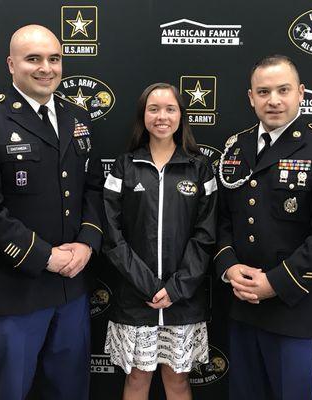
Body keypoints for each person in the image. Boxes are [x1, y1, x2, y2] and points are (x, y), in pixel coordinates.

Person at [0, 25, 103, 400]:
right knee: (12, 392)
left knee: (71, 392)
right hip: (14, 291)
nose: (46, 68)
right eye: (33, 59)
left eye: (54, 59)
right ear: (11, 64)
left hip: (71, 289)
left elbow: (93, 189)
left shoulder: (77, 117)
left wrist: (87, 242)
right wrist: (46, 257)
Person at [214, 55, 312, 400]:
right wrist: (228, 265)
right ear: (251, 97)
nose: (273, 100)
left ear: (301, 93)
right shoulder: (237, 146)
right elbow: (222, 219)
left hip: (300, 314)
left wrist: (275, 283)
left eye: (283, 90)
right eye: (263, 92)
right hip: (245, 310)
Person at [103, 83, 217, 400]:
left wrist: (176, 288)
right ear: (143, 116)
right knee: (137, 380)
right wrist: (149, 286)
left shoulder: (200, 168)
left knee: (177, 381)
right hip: (136, 298)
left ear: (181, 115)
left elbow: (205, 235)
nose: (162, 116)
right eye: (153, 109)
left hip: (183, 300)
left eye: (170, 109)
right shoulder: (124, 166)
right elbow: (113, 236)